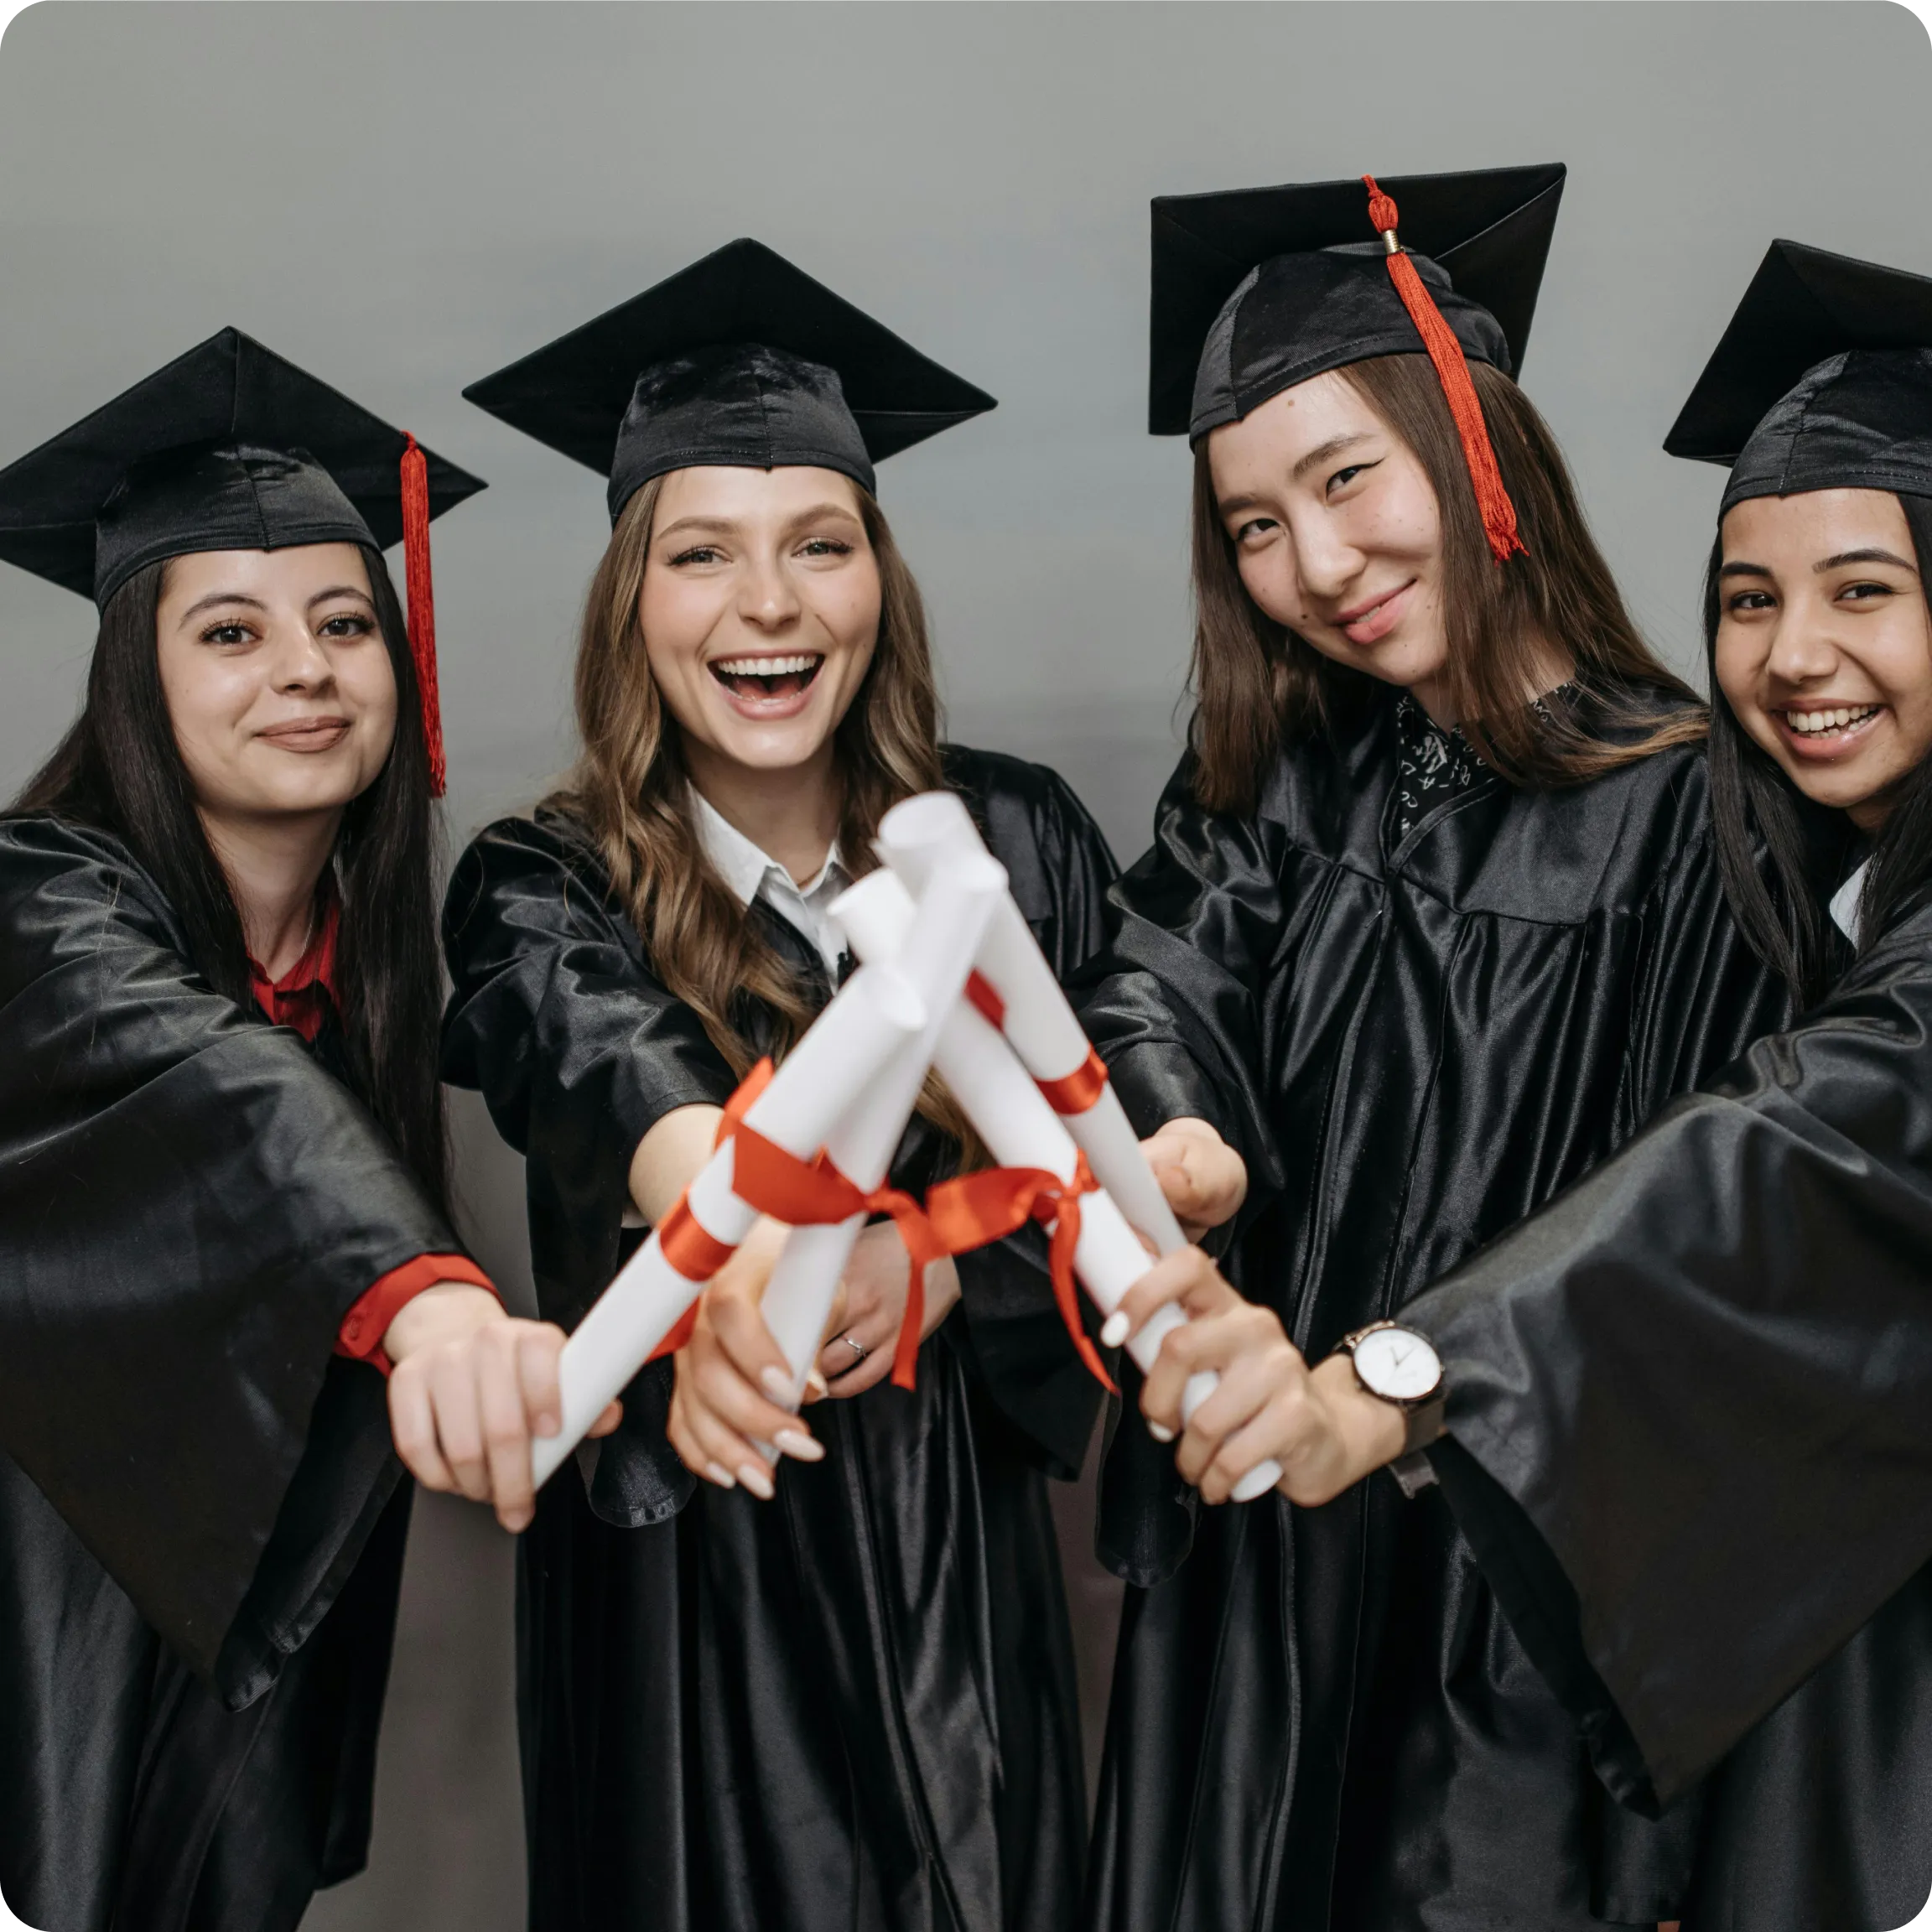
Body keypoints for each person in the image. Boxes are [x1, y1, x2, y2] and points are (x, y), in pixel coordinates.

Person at [1118, 238, 1932, 1932]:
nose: (1316, 563)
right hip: (1270, 1560)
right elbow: (1155, 986)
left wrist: (1409, 1388)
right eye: (1255, 526)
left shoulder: (1716, 816)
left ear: (1480, 451)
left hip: (1519, 1601)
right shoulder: (1266, 798)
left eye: (1348, 476)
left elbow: (1751, 1189)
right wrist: (1172, 1138)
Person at [443, 238, 1118, 1932]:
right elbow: (604, 1063)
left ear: (877, 579)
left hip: (958, 1574)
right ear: (633, 601)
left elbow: (1112, 1150)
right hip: (685, 1598)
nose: (769, 606)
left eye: (820, 546)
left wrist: (940, 1269)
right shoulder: (546, 879)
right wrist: (740, 1234)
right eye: (703, 556)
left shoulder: (1013, 840)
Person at [0, 330, 592, 1932]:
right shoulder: (40, 901)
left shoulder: (368, 987)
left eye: (345, 623)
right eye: (232, 633)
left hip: (221, 1699)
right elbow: (193, 1080)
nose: (306, 669)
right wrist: (431, 1292)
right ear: (141, 675)